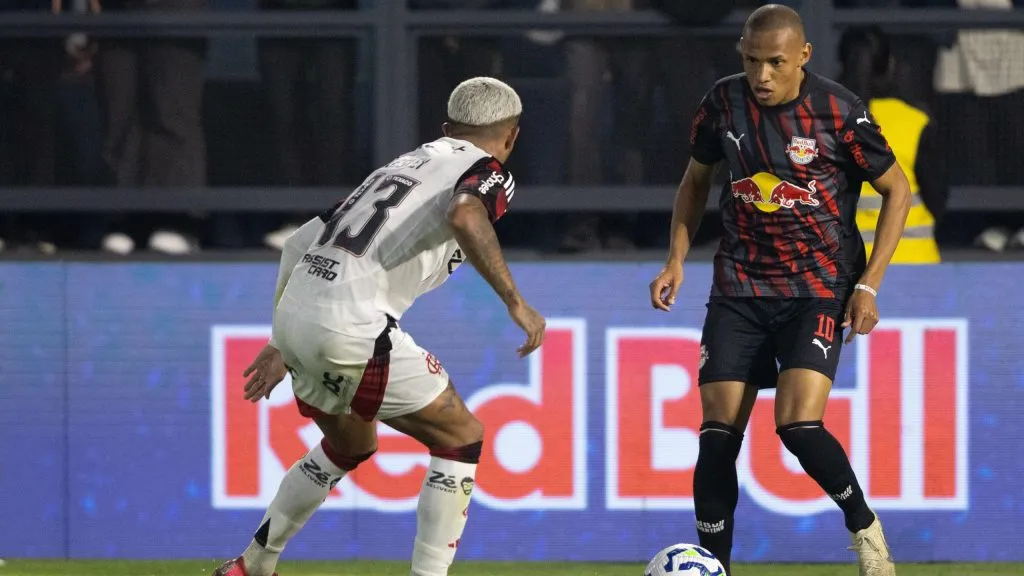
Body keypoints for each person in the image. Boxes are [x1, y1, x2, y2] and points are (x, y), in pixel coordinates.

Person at [212, 77, 546, 576]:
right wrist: (516, 302)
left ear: (446, 128)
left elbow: (299, 243)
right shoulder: (488, 171)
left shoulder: (402, 165)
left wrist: (278, 340)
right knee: (460, 436)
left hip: (298, 316)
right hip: (351, 324)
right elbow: (465, 214)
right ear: (512, 135)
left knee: (351, 445)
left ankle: (253, 565)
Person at [648, 5, 911, 576]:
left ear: (803, 56)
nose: (761, 75)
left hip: (818, 287)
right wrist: (676, 260)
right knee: (717, 436)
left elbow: (898, 190)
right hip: (739, 285)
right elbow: (695, 181)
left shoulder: (839, 112)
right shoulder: (722, 103)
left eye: (774, 62)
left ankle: (865, 527)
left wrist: (868, 285)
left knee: (797, 425)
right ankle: (715, 567)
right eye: (750, 61)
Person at [839, 25, 947, 264]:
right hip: (916, 261)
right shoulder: (915, 121)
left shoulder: (824, 122)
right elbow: (937, 197)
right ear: (890, 65)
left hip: (851, 265)